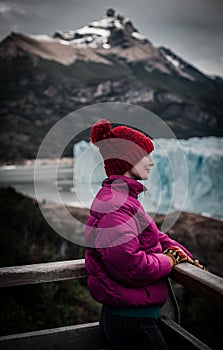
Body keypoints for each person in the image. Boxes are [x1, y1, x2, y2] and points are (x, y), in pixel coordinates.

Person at [84, 119, 204, 350]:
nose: (151, 162)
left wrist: (185, 256)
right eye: (145, 155)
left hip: (131, 316)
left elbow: (158, 237)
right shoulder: (117, 205)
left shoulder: (124, 200)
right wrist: (170, 260)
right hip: (132, 321)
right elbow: (133, 266)